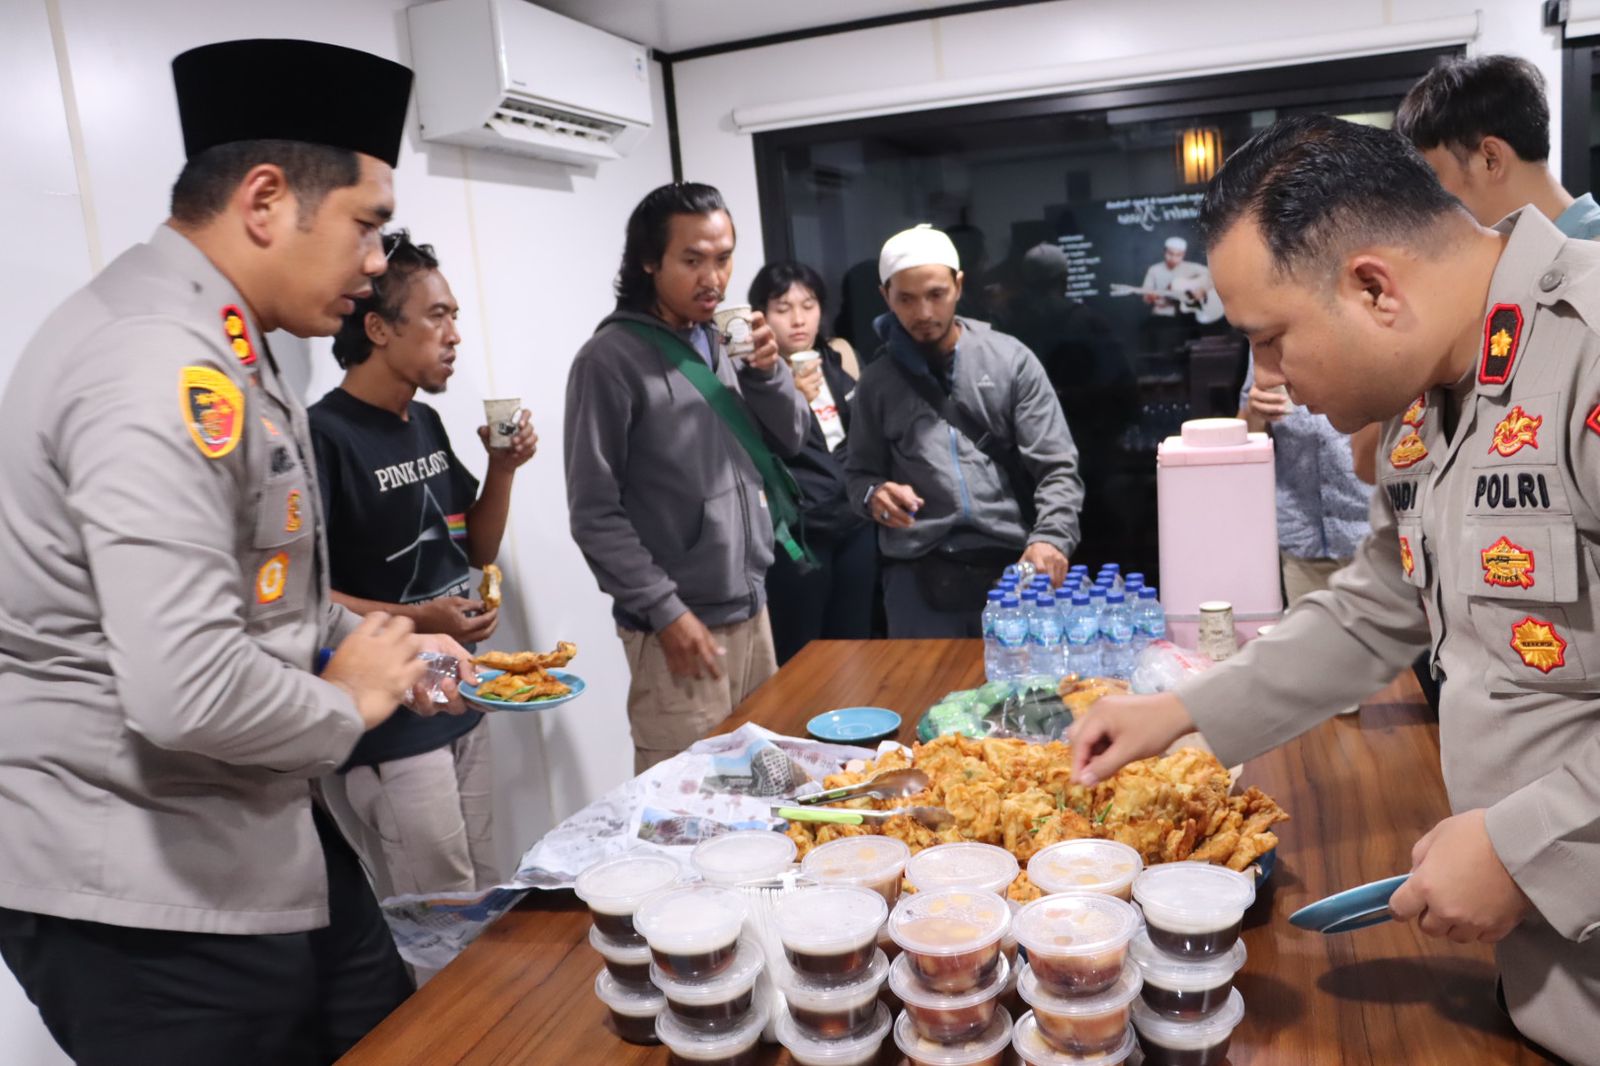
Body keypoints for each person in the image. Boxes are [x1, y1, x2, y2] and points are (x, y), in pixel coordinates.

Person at [1071, 113, 1600, 1065]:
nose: (1268, 378)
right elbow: (1380, 604)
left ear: (1373, 287)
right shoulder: (1433, 391)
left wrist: (1529, 843)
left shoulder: (1588, 350)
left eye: (1272, 340)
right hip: (1547, 970)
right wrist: (1182, 712)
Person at [0, 39, 479, 1066]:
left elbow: (267, 592)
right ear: (265, 201)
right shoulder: (150, 361)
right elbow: (183, 687)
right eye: (366, 225)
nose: (376, 263)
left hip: (252, 820)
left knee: (397, 1027)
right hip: (145, 887)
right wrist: (350, 700)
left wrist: (389, 650)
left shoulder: (229, 341)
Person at [311, 231, 537, 900]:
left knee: (483, 894)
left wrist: (502, 468)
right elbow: (306, 598)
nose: (454, 335)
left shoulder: (427, 423)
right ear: (378, 328)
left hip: (461, 701)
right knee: (436, 914)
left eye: (455, 316)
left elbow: (475, 551)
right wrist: (421, 619)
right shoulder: (323, 436)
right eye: (437, 316)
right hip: (389, 729)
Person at [565, 182, 811, 772]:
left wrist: (768, 373)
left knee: (766, 789)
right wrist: (666, 612)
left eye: (723, 258)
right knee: (685, 801)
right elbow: (594, 514)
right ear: (649, 261)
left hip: (752, 608)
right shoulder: (609, 360)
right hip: (679, 626)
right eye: (692, 260)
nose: (713, 278)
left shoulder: (719, 337)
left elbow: (793, 437)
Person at [845, 224, 1085, 637]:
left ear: (958, 285)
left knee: (1020, 677)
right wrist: (875, 495)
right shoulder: (877, 381)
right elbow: (858, 475)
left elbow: (1058, 466)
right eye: (906, 299)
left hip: (1014, 562)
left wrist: (1051, 538)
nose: (923, 313)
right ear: (886, 296)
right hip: (915, 573)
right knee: (925, 679)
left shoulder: (1010, 360)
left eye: (936, 294)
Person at [748, 260, 876, 663]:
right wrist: (790, 396)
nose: (798, 320)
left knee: (856, 646)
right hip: (798, 535)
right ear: (761, 316)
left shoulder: (835, 361)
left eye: (808, 305)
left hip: (854, 524)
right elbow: (762, 450)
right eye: (782, 308)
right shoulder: (752, 378)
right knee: (802, 654)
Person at [1397, 54, 1600, 238]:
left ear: (1490, 159)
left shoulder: (1591, 253)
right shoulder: (1521, 251)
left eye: (1433, 178)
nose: (1426, 200)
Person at [1140, 236, 1215, 316]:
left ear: (1183, 254)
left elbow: (1215, 276)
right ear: (1164, 252)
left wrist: (1203, 290)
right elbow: (1145, 297)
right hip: (1164, 312)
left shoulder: (1191, 267)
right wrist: (1150, 297)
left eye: (1178, 255)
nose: (1174, 258)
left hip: (1190, 315)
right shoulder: (1154, 270)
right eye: (1170, 253)